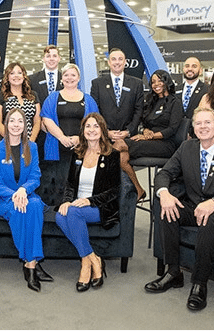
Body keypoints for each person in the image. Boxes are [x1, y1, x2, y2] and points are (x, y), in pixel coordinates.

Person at [144, 108, 214, 311]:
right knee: (169, 210)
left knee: (208, 219)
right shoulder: (186, 148)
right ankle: (173, 273)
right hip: (192, 204)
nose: (203, 127)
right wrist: (165, 193)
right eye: (198, 123)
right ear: (193, 128)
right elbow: (165, 174)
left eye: (207, 122)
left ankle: (199, 283)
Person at [0, 108, 52, 292]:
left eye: (20, 121)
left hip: (27, 195)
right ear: (6, 124)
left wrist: (23, 190)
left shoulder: (31, 147)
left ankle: (29, 264)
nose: (16, 125)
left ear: (25, 126)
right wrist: (14, 194)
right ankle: (32, 263)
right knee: (21, 209)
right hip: (3, 199)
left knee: (33, 205)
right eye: (12, 121)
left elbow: (35, 176)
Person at [56, 113, 120, 292]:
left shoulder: (112, 155)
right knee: (61, 216)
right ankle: (92, 259)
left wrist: (89, 201)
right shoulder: (77, 153)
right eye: (88, 127)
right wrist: (67, 201)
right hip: (78, 205)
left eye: (96, 126)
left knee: (73, 212)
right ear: (83, 131)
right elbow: (70, 183)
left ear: (102, 130)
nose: (92, 130)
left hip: (100, 207)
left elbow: (114, 190)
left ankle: (85, 267)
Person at [114, 69, 183, 196]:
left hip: (166, 144)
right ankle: (138, 189)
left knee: (118, 145)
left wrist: (150, 137)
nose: (156, 84)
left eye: (159, 81)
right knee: (121, 155)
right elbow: (144, 123)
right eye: (153, 82)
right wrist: (145, 130)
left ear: (166, 81)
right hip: (149, 141)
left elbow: (172, 129)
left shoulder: (175, 102)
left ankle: (131, 190)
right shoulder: (152, 101)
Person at [90, 48, 145, 199]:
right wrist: (105, 131)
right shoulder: (97, 84)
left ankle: (128, 195)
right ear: (108, 62)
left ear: (125, 62)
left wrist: (128, 131)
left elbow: (139, 111)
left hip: (127, 137)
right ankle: (135, 191)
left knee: (121, 160)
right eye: (114, 59)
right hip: (104, 136)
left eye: (120, 59)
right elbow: (95, 112)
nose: (117, 62)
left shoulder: (137, 84)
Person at [41, 63, 99, 161]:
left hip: (82, 147)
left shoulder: (89, 100)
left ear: (79, 78)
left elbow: (96, 123)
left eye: (73, 75)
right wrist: (62, 138)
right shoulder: (52, 98)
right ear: (62, 78)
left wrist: (80, 138)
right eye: (66, 75)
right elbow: (47, 120)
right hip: (56, 148)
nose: (69, 78)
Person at [0, 62, 41, 142]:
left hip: (29, 142)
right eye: (12, 73)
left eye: (19, 73)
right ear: (7, 77)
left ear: (24, 76)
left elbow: (37, 121)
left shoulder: (33, 95)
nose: (16, 76)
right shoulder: (0, 96)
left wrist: (31, 141)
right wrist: (12, 140)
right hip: (7, 142)